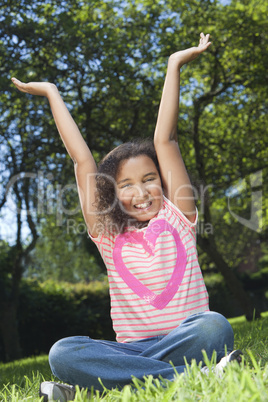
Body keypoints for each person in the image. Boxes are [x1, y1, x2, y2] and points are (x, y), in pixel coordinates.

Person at [12, 33, 242, 402]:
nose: (141, 192)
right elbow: (82, 161)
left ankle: (109, 383)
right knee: (63, 353)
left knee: (214, 326)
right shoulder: (106, 233)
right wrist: (52, 93)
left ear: (162, 182)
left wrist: (174, 64)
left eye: (150, 179)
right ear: (111, 195)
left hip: (187, 337)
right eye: (127, 185)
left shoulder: (178, 214)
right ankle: (190, 376)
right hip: (132, 350)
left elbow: (165, 139)